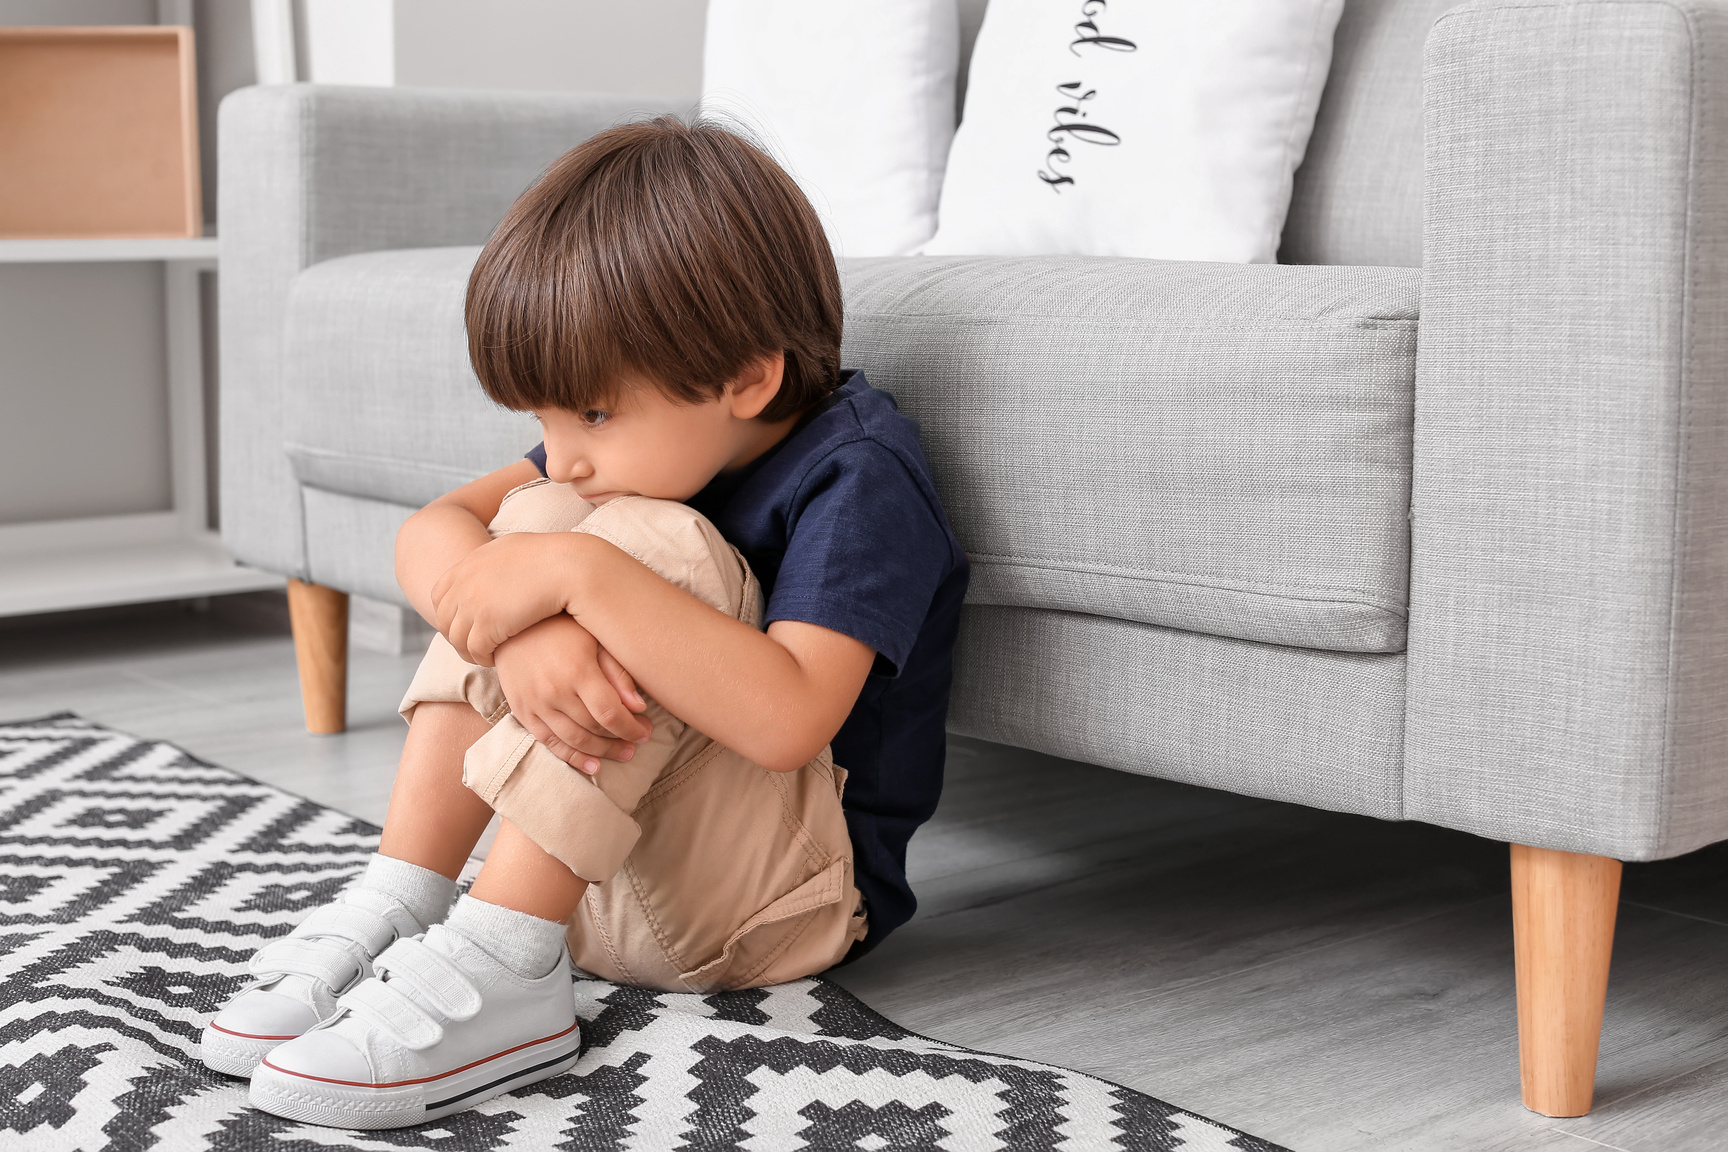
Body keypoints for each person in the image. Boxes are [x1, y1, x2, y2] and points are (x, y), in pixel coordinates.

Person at [198, 115, 969, 1131]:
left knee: (614, 546)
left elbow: (789, 719)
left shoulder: (859, 474)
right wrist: (531, 625)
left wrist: (573, 575)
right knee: (528, 530)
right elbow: (435, 531)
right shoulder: (619, 456)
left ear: (748, 376)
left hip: (778, 914)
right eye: (544, 422)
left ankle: (505, 968)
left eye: (593, 417)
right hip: (597, 887)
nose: (563, 455)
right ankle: (405, 900)